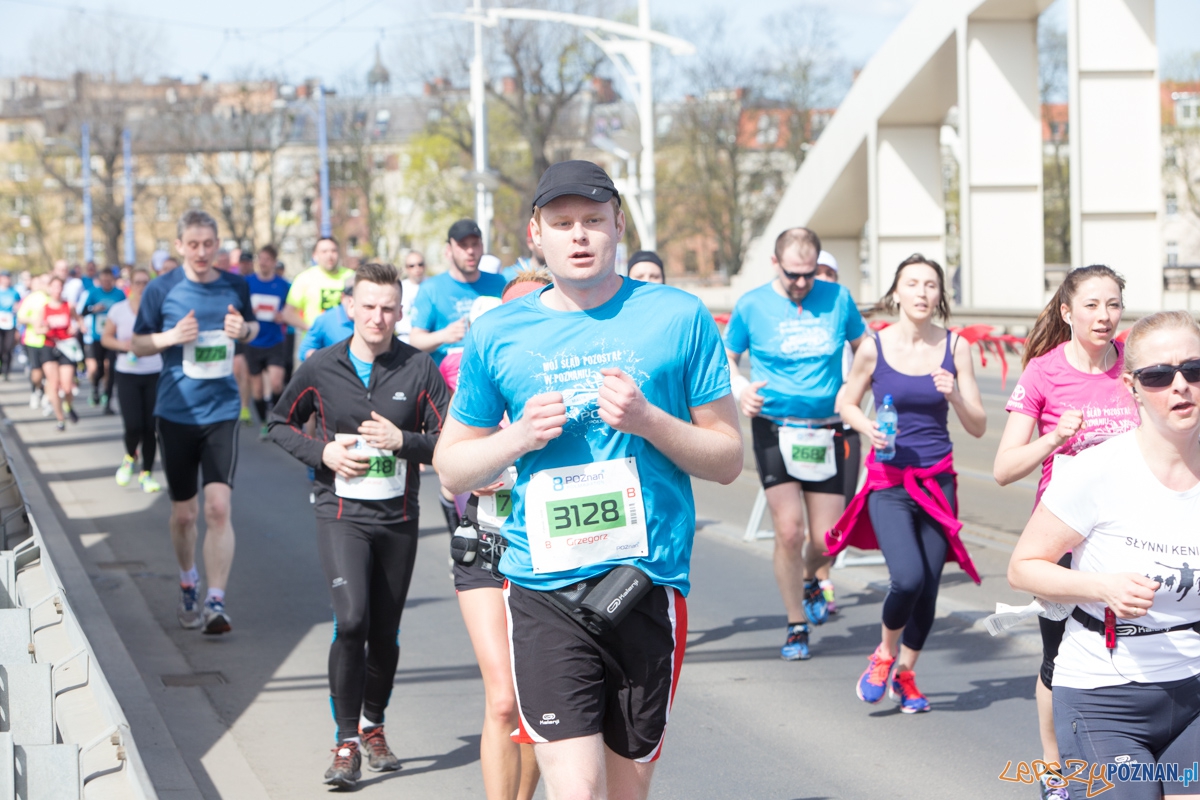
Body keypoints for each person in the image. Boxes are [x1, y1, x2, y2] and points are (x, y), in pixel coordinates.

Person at [434, 160, 742, 799]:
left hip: (644, 583)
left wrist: (650, 420)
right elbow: (451, 465)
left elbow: (726, 459)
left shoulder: (678, 316)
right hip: (542, 587)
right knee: (577, 791)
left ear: (619, 226)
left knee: (626, 792)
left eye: (594, 221)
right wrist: (516, 438)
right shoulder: (498, 332)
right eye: (563, 223)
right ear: (534, 235)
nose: (579, 236)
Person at [270, 262, 450, 790]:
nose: (378, 317)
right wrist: (322, 451)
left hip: (398, 517)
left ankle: (374, 726)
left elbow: (447, 441)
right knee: (351, 621)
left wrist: (405, 443)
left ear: (400, 311)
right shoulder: (322, 366)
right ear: (349, 307)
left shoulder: (419, 368)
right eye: (368, 306)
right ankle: (345, 741)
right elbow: (277, 424)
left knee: (385, 631)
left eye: (388, 308)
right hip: (341, 513)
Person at [1009, 310, 1200, 800]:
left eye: (1194, 370)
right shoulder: (1097, 470)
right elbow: (1023, 567)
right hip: (1103, 697)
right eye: (1160, 376)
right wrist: (1102, 587)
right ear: (1132, 385)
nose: (1181, 386)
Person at [992, 264, 1138, 799]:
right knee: (1060, 658)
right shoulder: (1043, 373)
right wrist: (1054, 437)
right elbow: (1004, 469)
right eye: (1093, 305)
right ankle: (1056, 772)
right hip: (1063, 540)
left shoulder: (1136, 366)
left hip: (1129, 537)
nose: (1104, 316)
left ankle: (1129, 761)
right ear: (1067, 311)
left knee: (1138, 647)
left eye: (1114, 304)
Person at [829, 254, 986, 712]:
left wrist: (954, 392)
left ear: (940, 295)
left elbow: (977, 425)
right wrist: (865, 426)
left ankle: (907, 674)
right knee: (908, 578)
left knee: (930, 587)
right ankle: (882, 653)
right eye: (912, 283)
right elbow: (847, 400)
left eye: (931, 285)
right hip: (889, 481)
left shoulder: (956, 348)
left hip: (938, 483)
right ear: (896, 292)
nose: (921, 292)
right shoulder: (874, 347)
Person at [723, 227, 866, 660]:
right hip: (775, 425)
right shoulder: (751, 305)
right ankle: (796, 623)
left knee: (826, 539)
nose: (801, 283)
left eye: (808, 275)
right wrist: (740, 388)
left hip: (827, 427)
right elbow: (726, 357)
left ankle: (812, 575)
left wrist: (853, 394)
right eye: (792, 275)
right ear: (775, 264)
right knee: (788, 530)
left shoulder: (838, 298)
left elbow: (865, 350)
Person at [132, 209, 259, 636]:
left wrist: (244, 330)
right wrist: (170, 338)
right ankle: (188, 579)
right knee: (185, 515)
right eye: (194, 244)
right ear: (181, 245)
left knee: (218, 507)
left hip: (222, 411)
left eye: (209, 244)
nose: (202, 252)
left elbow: (253, 327)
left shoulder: (234, 284)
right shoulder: (161, 288)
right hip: (175, 412)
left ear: (217, 244)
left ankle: (216, 601)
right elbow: (137, 342)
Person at [452, 271, 550, 800]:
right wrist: (482, 469)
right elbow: (452, 472)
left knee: (536, 698)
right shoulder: (482, 373)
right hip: (488, 542)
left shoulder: (564, 375)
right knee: (503, 699)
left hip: (548, 551)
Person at [409, 219, 506, 533]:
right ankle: (461, 537)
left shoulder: (499, 283)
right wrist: (445, 335)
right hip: (451, 392)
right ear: (449, 250)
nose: (470, 251)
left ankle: (495, 536)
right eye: (463, 245)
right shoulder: (432, 289)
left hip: (497, 385)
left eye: (475, 244)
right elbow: (416, 339)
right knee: (457, 475)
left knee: (498, 469)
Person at [102, 268, 162, 493]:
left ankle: (147, 473)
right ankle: (129, 456)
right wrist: (124, 346)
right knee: (133, 425)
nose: (142, 287)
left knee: (150, 427)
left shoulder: (157, 311)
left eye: (146, 283)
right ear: (131, 285)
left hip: (153, 371)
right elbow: (106, 338)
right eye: (138, 283)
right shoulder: (119, 310)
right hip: (127, 372)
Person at [240, 252, 291, 440]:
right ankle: (263, 422)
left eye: (267, 260)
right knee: (258, 389)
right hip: (253, 342)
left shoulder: (283, 284)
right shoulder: (248, 282)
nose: (263, 263)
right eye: (260, 259)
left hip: (275, 340)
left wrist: (282, 315)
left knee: (277, 383)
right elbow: (240, 305)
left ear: (273, 262)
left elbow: (290, 307)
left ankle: (276, 418)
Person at [37, 276, 83, 432]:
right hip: (49, 347)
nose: (57, 290)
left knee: (67, 387)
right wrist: (45, 328)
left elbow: (78, 321)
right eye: (54, 287)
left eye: (59, 287)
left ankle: (68, 405)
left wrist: (76, 328)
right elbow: (37, 329)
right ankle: (60, 419)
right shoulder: (43, 308)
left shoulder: (68, 306)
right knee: (54, 384)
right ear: (49, 288)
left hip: (67, 347)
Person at [283, 237, 355, 335]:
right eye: (324, 251)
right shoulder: (304, 278)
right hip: (317, 346)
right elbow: (288, 313)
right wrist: (311, 329)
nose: (329, 255)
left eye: (333, 251)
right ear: (315, 256)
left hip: (347, 341)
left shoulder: (352, 277)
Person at [79, 267, 126, 413]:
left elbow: (126, 310)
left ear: (113, 280)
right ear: (100, 280)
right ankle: (95, 389)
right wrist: (94, 308)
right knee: (97, 368)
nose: (106, 283)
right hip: (97, 337)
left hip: (113, 338)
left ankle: (108, 402)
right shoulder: (94, 293)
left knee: (110, 368)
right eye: (104, 280)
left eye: (109, 280)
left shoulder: (119, 294)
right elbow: (83, 312)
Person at [299, 276, 356, 361]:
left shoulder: (376, 319)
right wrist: (331, 361)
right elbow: (305, 352)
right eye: (352, 295)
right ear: (343, 297)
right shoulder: (325, 320)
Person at [18, 274, 50, 410]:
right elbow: (21, 318)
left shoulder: (53, 299)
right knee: (37, 374)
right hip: (33, 341)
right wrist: (34, 321)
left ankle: (48, 395)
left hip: (50, 342)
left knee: (50, 372)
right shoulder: (31, 299)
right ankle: (37, 390)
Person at [395, 250, 426, 344]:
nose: (417, 268)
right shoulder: (399, 288)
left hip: (428, 339)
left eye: (420, 264)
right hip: (404, 338)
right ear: (406, 268)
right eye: (411, 266)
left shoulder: (433, 286)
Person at [0, 271, 22, 380]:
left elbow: (18, 308)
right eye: (4, 278)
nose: (6, 280)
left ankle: (6, 371)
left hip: (10, 324)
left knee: (8, 348)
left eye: (8, 278)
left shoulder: (14, 293)